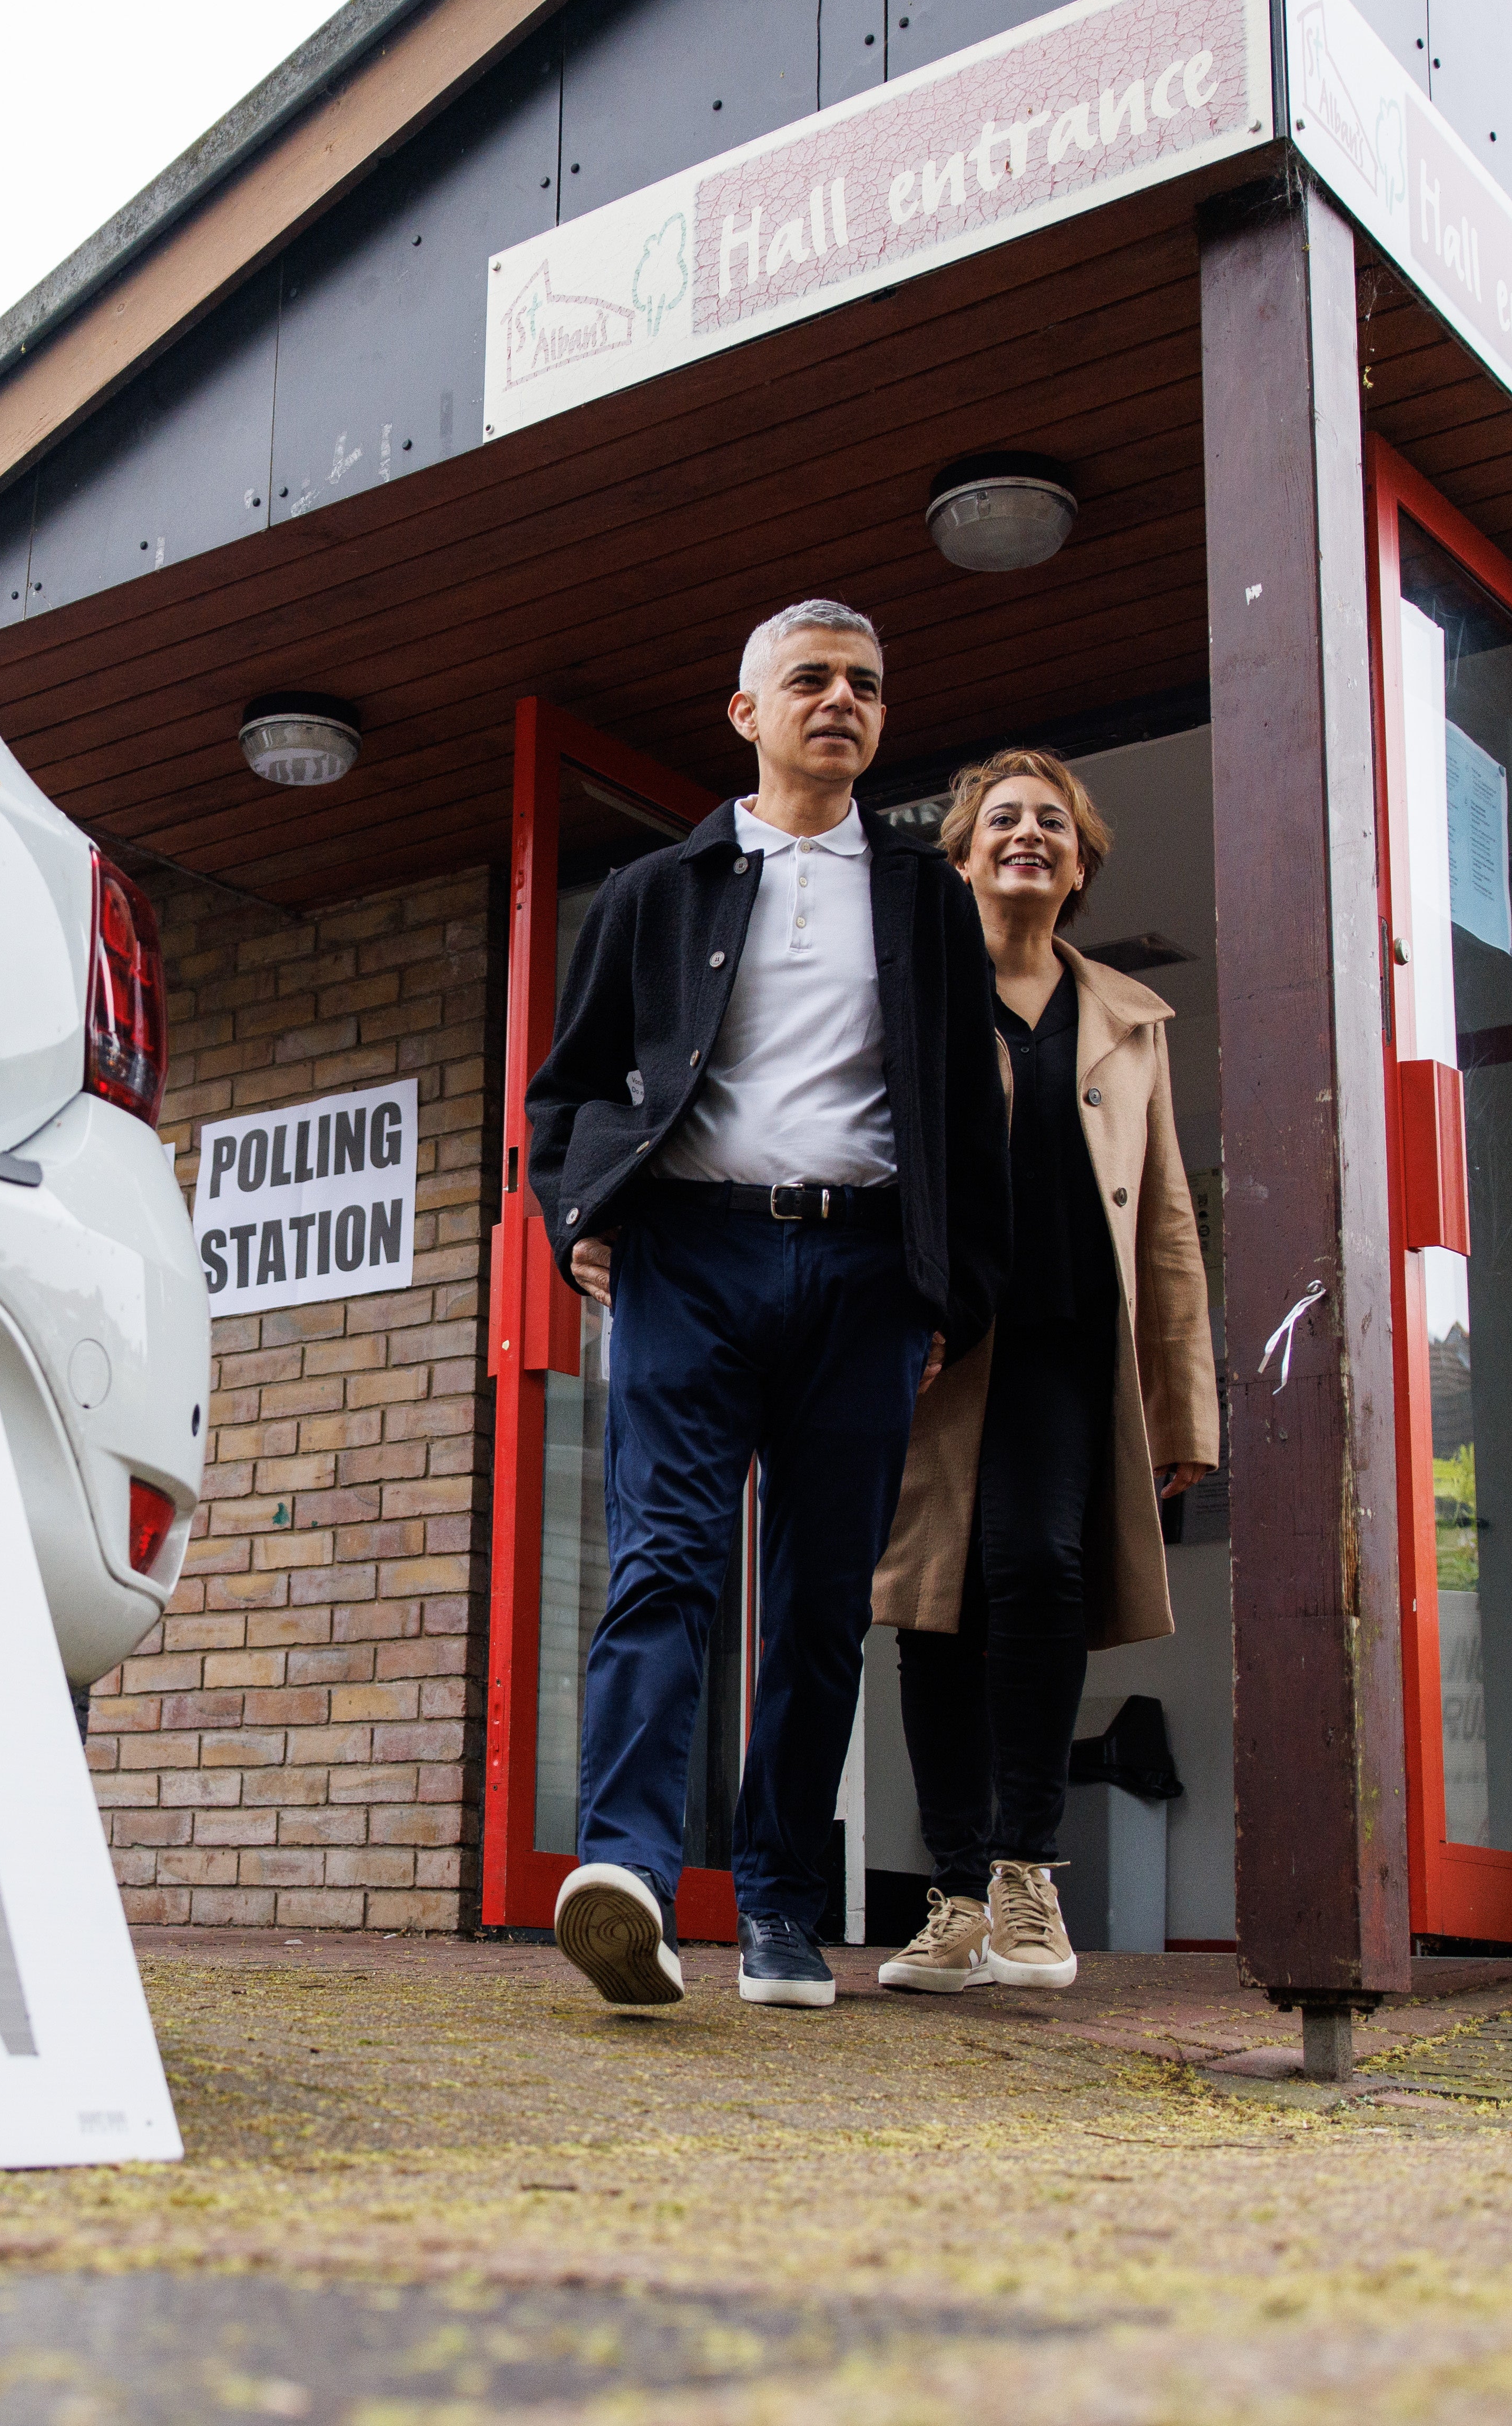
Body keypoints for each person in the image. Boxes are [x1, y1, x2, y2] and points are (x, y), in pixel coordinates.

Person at [524, 601, 1012, 2010]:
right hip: (691, 1257)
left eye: (866, 682)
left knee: (813, 1607)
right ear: (746, 712)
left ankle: (785, 1907)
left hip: (864, 1276)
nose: (841, 701)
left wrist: (943, 1302)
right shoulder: (656, 892)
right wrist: (579, 1226)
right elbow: (564, 1095)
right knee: (666, 1564)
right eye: (810, 681)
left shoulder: (925, 901)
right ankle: (624, 1876)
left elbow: (967, 1138)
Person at [869, 748, 1218, 1995]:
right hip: (937, 1349)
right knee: (929, 1607)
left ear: (1078, 866)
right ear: (961, 855)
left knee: (1039, 1569)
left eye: (1051, 826)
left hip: (1070, 1340)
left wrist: (1185, 1401)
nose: (1027, 836)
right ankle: (952, 1895)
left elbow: (1168, 1218)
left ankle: (1024, 1877)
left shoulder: (1131, 1018)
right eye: (1002, 821)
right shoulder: (907, 995)